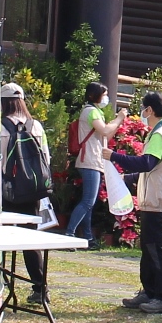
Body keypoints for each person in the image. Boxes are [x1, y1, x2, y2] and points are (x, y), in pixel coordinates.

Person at [114, 91, 162, 314]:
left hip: (157, 200)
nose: (142, 113)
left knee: (156, 249)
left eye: (143, 108)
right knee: (148, 247)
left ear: (150, 110)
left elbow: (147, 163)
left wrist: (114, 157)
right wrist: (129, 178)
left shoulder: (160, 133)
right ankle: (150, 291)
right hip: (153, 198)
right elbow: (154, 167)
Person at [0, 82, 54, 304]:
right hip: (32, 191)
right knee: (31, 241)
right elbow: (46, 158)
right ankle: (40, 288)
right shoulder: (36, 126)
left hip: (6, 191)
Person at [62, 83, 114, 241]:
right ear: (94, 95)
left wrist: (116, 122)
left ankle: (88, 237)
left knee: (89, 203)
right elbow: (105, 130)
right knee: (87, 202)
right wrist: (119, 118)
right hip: (90, 160)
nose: (106, 98)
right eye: (104, 94)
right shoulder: (91, 111)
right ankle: (69, 233)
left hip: (93, 160)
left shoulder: (95, 111)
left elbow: (106, 135)